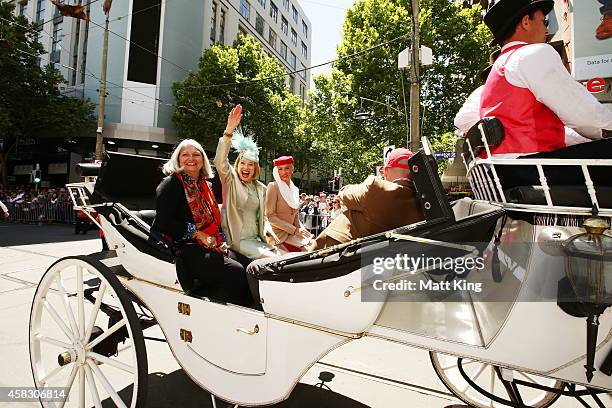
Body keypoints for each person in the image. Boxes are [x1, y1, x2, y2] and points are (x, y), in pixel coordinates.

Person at [480, 0, 612, 188]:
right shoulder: (534, 54)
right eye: (545, 22)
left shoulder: (500, 68)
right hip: (532, 169)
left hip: (504, 171)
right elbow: (586, 117)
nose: (547, 30)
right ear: (526, 22)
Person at [151, 138, 252, 306]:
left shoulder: (205, 185)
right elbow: (164, 223)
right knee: (235, 271)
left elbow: (214, 219)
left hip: (208, 243)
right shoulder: (170, 184)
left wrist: (220, 241)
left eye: (196, 154)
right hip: (181, 247)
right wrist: (197, 233)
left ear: (203, 160)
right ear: (178, 159)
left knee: (248, 264)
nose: (191, 158)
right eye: (185, 155)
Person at [308, 148, 425, 251]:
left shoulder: (376, 188)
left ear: (387, 170)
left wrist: (343, 191)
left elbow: (345, 194)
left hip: (334, 257)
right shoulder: (421, 204)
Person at [214, 105, 276, 262]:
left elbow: (263, 217)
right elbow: (220, 161)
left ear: (255, 168)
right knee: (274, 259)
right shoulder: (231, 180)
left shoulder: (261, 188)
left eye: (250, 164)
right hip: (237, 241)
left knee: (284, 255)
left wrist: (269, 231)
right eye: (243, 163)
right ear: (238, 164)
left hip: (258, 240)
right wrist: (228, 131)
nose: (246, 167)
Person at [265, 156, 313, 252]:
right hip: (278, 237)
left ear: (292, 169)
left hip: (293, 235)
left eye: (287, 168)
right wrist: (295, 230)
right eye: (280, 169)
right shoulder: (273, 186)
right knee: (307, 252)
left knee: (315, 246)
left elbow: (295, 216)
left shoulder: (295, 189)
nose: (283, 172)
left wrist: (303, 231)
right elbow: (270, 216)